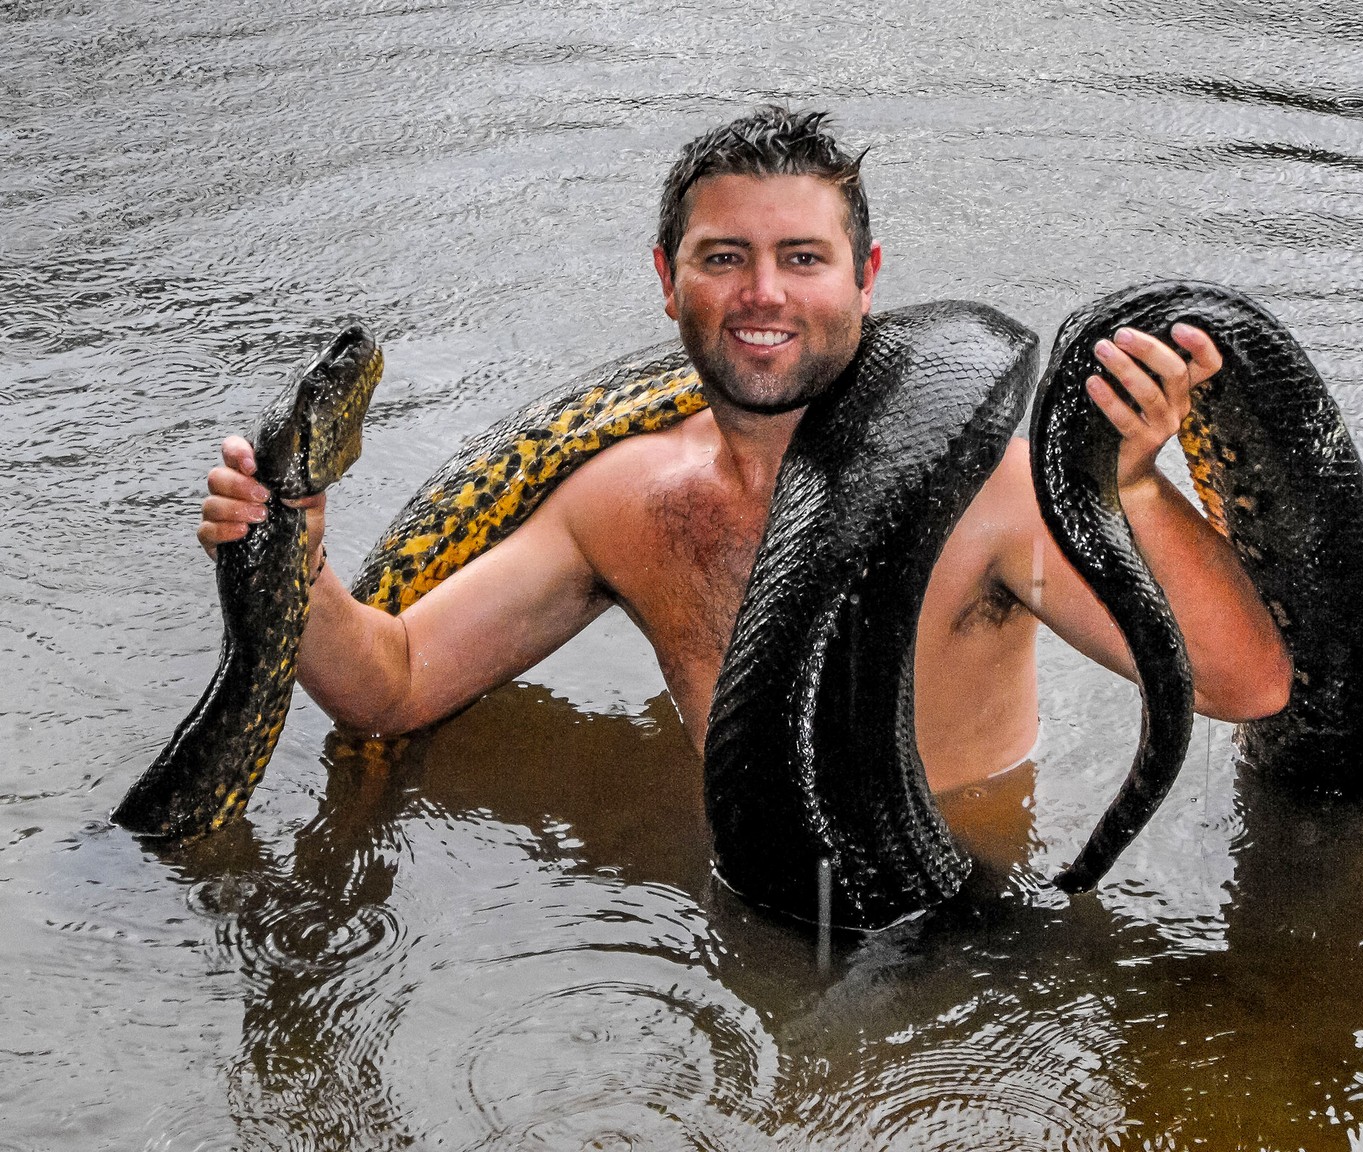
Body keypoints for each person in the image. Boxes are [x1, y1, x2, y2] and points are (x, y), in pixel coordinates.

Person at [199, 106, 1290, 808]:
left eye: (802, 259)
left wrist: (1130, 488)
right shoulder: (622, 503)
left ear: (866, 280)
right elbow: (390, 687)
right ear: (668, 281)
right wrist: (289, 554)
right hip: (746, 907)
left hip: (959, 932)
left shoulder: (990, 491)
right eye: (725, 258)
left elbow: (1243, 685)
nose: (763, 294)